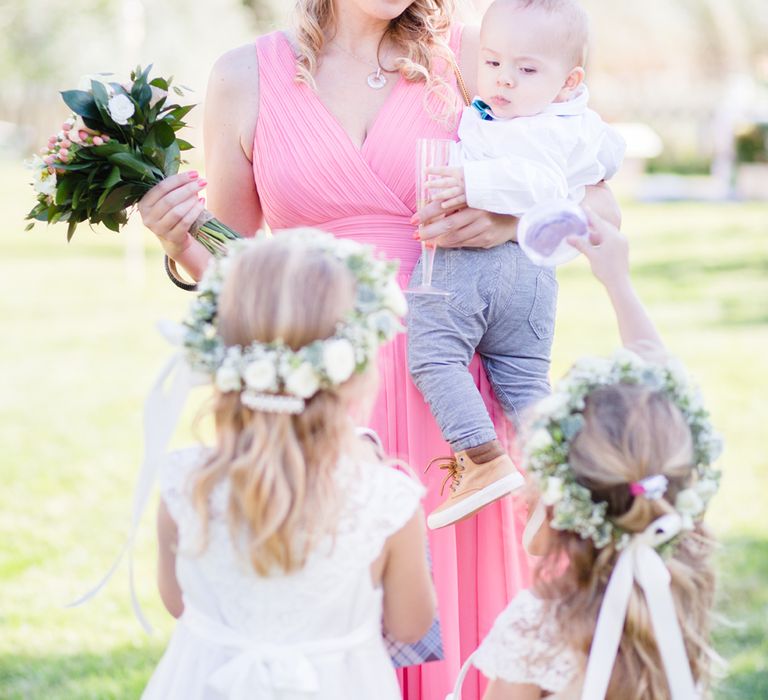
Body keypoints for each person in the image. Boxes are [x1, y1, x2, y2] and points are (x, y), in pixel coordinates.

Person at [138, 2, 621, 696]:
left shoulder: (484, 55)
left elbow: (600, 215)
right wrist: (179, 239)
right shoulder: (244, 77)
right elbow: (240, 271)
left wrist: (508, 219)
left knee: (463, 616)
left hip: (455, 394)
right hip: (320, 401)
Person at [143, 229, 435, 699]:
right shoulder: (385, 500)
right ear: (353, 369)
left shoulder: (186, 483)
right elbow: (411, 623)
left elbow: (179, 603)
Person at [448, 210, 722, 700]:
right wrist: (618, 281)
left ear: (555, 505)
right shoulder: (682, 587)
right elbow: (669, 394)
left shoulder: (537, 629)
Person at [407, 0, 625, 530]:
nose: (504, 81)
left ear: (569, 81)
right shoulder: (570, 121)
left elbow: (545, 186)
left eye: (526, 71)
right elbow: (593, 167)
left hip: (472, 268)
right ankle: (566, 484)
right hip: (531, 282)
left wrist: (472, 185)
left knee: (434, 356)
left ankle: (481, 459)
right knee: (526, 383)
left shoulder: (537, 127)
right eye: (493, 63)